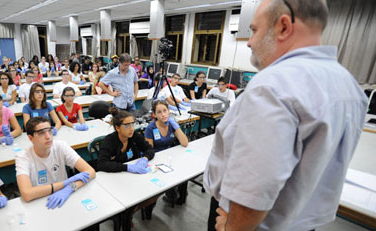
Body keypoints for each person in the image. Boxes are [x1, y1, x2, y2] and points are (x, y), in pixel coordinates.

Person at [204, 1, 368, 231]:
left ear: (283, 27)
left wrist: (232, 227)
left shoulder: (273, 86)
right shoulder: (350, 87)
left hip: (245, 222)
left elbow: (255, 186)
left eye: (254, 30)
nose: (249, 42)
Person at [15, 117, 96, 207]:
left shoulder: (60, 146)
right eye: (41, 133)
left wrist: (70, 187)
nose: (48, 136)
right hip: (39, 201)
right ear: (31, 138)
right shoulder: (23, 157)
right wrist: (65, 183)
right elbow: (27, 194)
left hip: (65, 197)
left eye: (50, 131)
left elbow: (90, 171)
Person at [144, 100, 188, 203]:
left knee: (184, 173)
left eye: (165, 111)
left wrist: (176, 127)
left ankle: (179, 196)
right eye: (159, 112)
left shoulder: (171, 124)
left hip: (169, 156)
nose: (163, 114)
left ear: (169, 111)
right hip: (156, 158)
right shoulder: (151, 128)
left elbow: (185, 142)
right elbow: (149, 150)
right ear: (154, 114)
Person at [97, 108, 154, 173]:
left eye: (132, 124)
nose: (131, 129)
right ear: (117, 128)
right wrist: (127, 167)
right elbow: (101, 164)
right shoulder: (109, 141)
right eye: (127, 126)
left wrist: (145, 158)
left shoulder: (134, 136)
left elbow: (150, 149)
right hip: (115, 176)